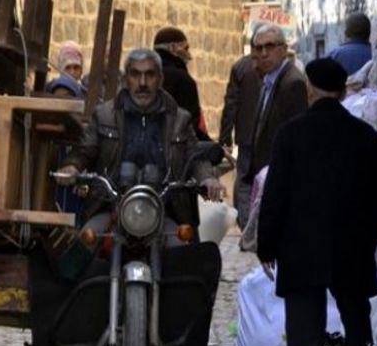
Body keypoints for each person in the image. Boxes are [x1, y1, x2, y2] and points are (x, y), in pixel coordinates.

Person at [257, 58, 377, 346]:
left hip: (301, 249)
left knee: (305, 335)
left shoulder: (290, 135)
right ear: (345, 91)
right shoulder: (365, 137)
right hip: (351, 248)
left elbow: (275, 196)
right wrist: (367, 239)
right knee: (358, 330)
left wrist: (266, 244)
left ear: (311, 89)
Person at [55, 48, 225, 238]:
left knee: (183, 251)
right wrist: (72, 166)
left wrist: (207, 178)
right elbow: (86, 149)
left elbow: (194, 156)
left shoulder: (179, 119)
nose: (142, 83)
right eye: (136, 75)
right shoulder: (104, 115)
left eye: (149, 75)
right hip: (111, 207)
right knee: (85, 243)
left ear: (160, 79)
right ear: (126, 79)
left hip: (166, 209)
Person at [246, 24, 307, 220]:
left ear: (283, 49)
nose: (264, 53)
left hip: (281, 178)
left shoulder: (292, 83)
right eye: (258, 48)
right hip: (267, 176)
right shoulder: (268, 80)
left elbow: (297, 136)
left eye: (269, 46)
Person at [218, 50, 262, 229]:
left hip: (247, 134)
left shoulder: (241, 67)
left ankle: (245, 224)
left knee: (244, 179)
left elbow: (231, 104)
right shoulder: (282, 68)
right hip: (266, 135)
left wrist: (225, 136)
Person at [153, 26, 211, 141]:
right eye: (186, 48)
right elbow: (189, 125)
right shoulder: (183, 80)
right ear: (173, 48)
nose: (189, 54)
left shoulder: (145, 76)